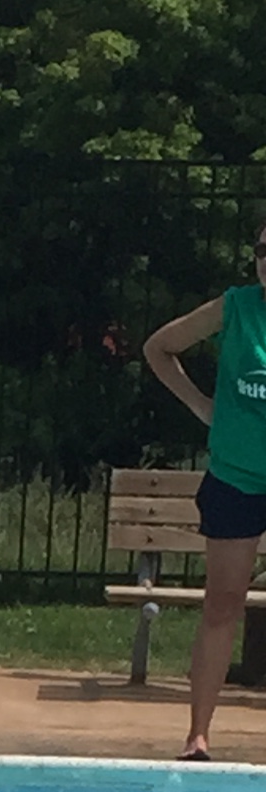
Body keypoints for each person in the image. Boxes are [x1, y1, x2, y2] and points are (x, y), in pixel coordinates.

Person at [143, 223, 266, 760]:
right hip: (237, 477)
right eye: (263, 250)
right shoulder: (236, 307)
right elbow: (159, 348)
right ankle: (198, 736)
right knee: (223, 603)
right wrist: (200, 406)